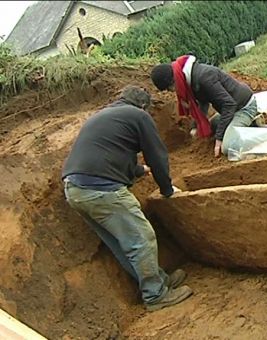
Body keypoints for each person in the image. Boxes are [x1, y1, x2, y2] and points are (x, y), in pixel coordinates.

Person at [62, 86, 193, 312]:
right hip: (102, 189)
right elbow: (158, 155)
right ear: (143, 106)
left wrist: (139, 170)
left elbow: (109, 154)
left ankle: (157, 281)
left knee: (124, 243)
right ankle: (155, 295)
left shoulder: (106, 116)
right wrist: (167, 189)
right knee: (142, 237)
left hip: (75, 189)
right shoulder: (138, 116)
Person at [150, 55, 258, 158]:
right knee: (212, 127)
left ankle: (257, 135)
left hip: (244, 107)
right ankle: (249, 125)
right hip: (232, 109)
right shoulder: (190, 78)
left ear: (173, 81)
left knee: (228, 147)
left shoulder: (204, 78)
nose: (171, 91)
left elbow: (229, 104)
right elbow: (203, 102)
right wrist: (195, 126)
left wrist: (219, 139)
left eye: (169, 88)